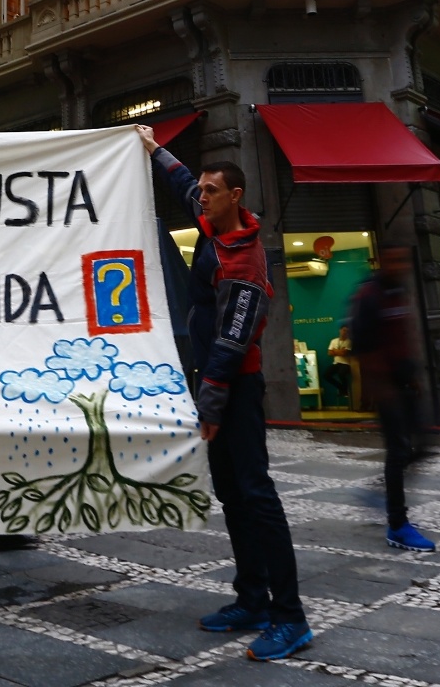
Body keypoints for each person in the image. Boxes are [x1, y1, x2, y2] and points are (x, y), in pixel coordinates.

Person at [138, 124, 310, 661]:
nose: (201, 197)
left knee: (257, 497)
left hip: (235, 387)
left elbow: (233, 347)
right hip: (214, 384)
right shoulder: (215, 228)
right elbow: (183, 182)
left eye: (212, 192)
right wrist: (153, 148)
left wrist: (210, 405)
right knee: (232, 495)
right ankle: (251, 599)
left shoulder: (244, 261)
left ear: (234, 197)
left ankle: (290, 617)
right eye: (204, 191)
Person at [347, 246, 436, 554]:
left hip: (404, 382)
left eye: (404, 260)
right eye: (395, 259)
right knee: (398, 451)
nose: (400, 265)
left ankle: (383, 492)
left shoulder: (399, 291)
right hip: (386, 388)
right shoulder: (368, 295)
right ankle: (397, 524)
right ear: (382, 261)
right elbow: (362, 346)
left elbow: (403, 335)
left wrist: (413, 376)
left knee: (425, 445)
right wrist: (380, 388)